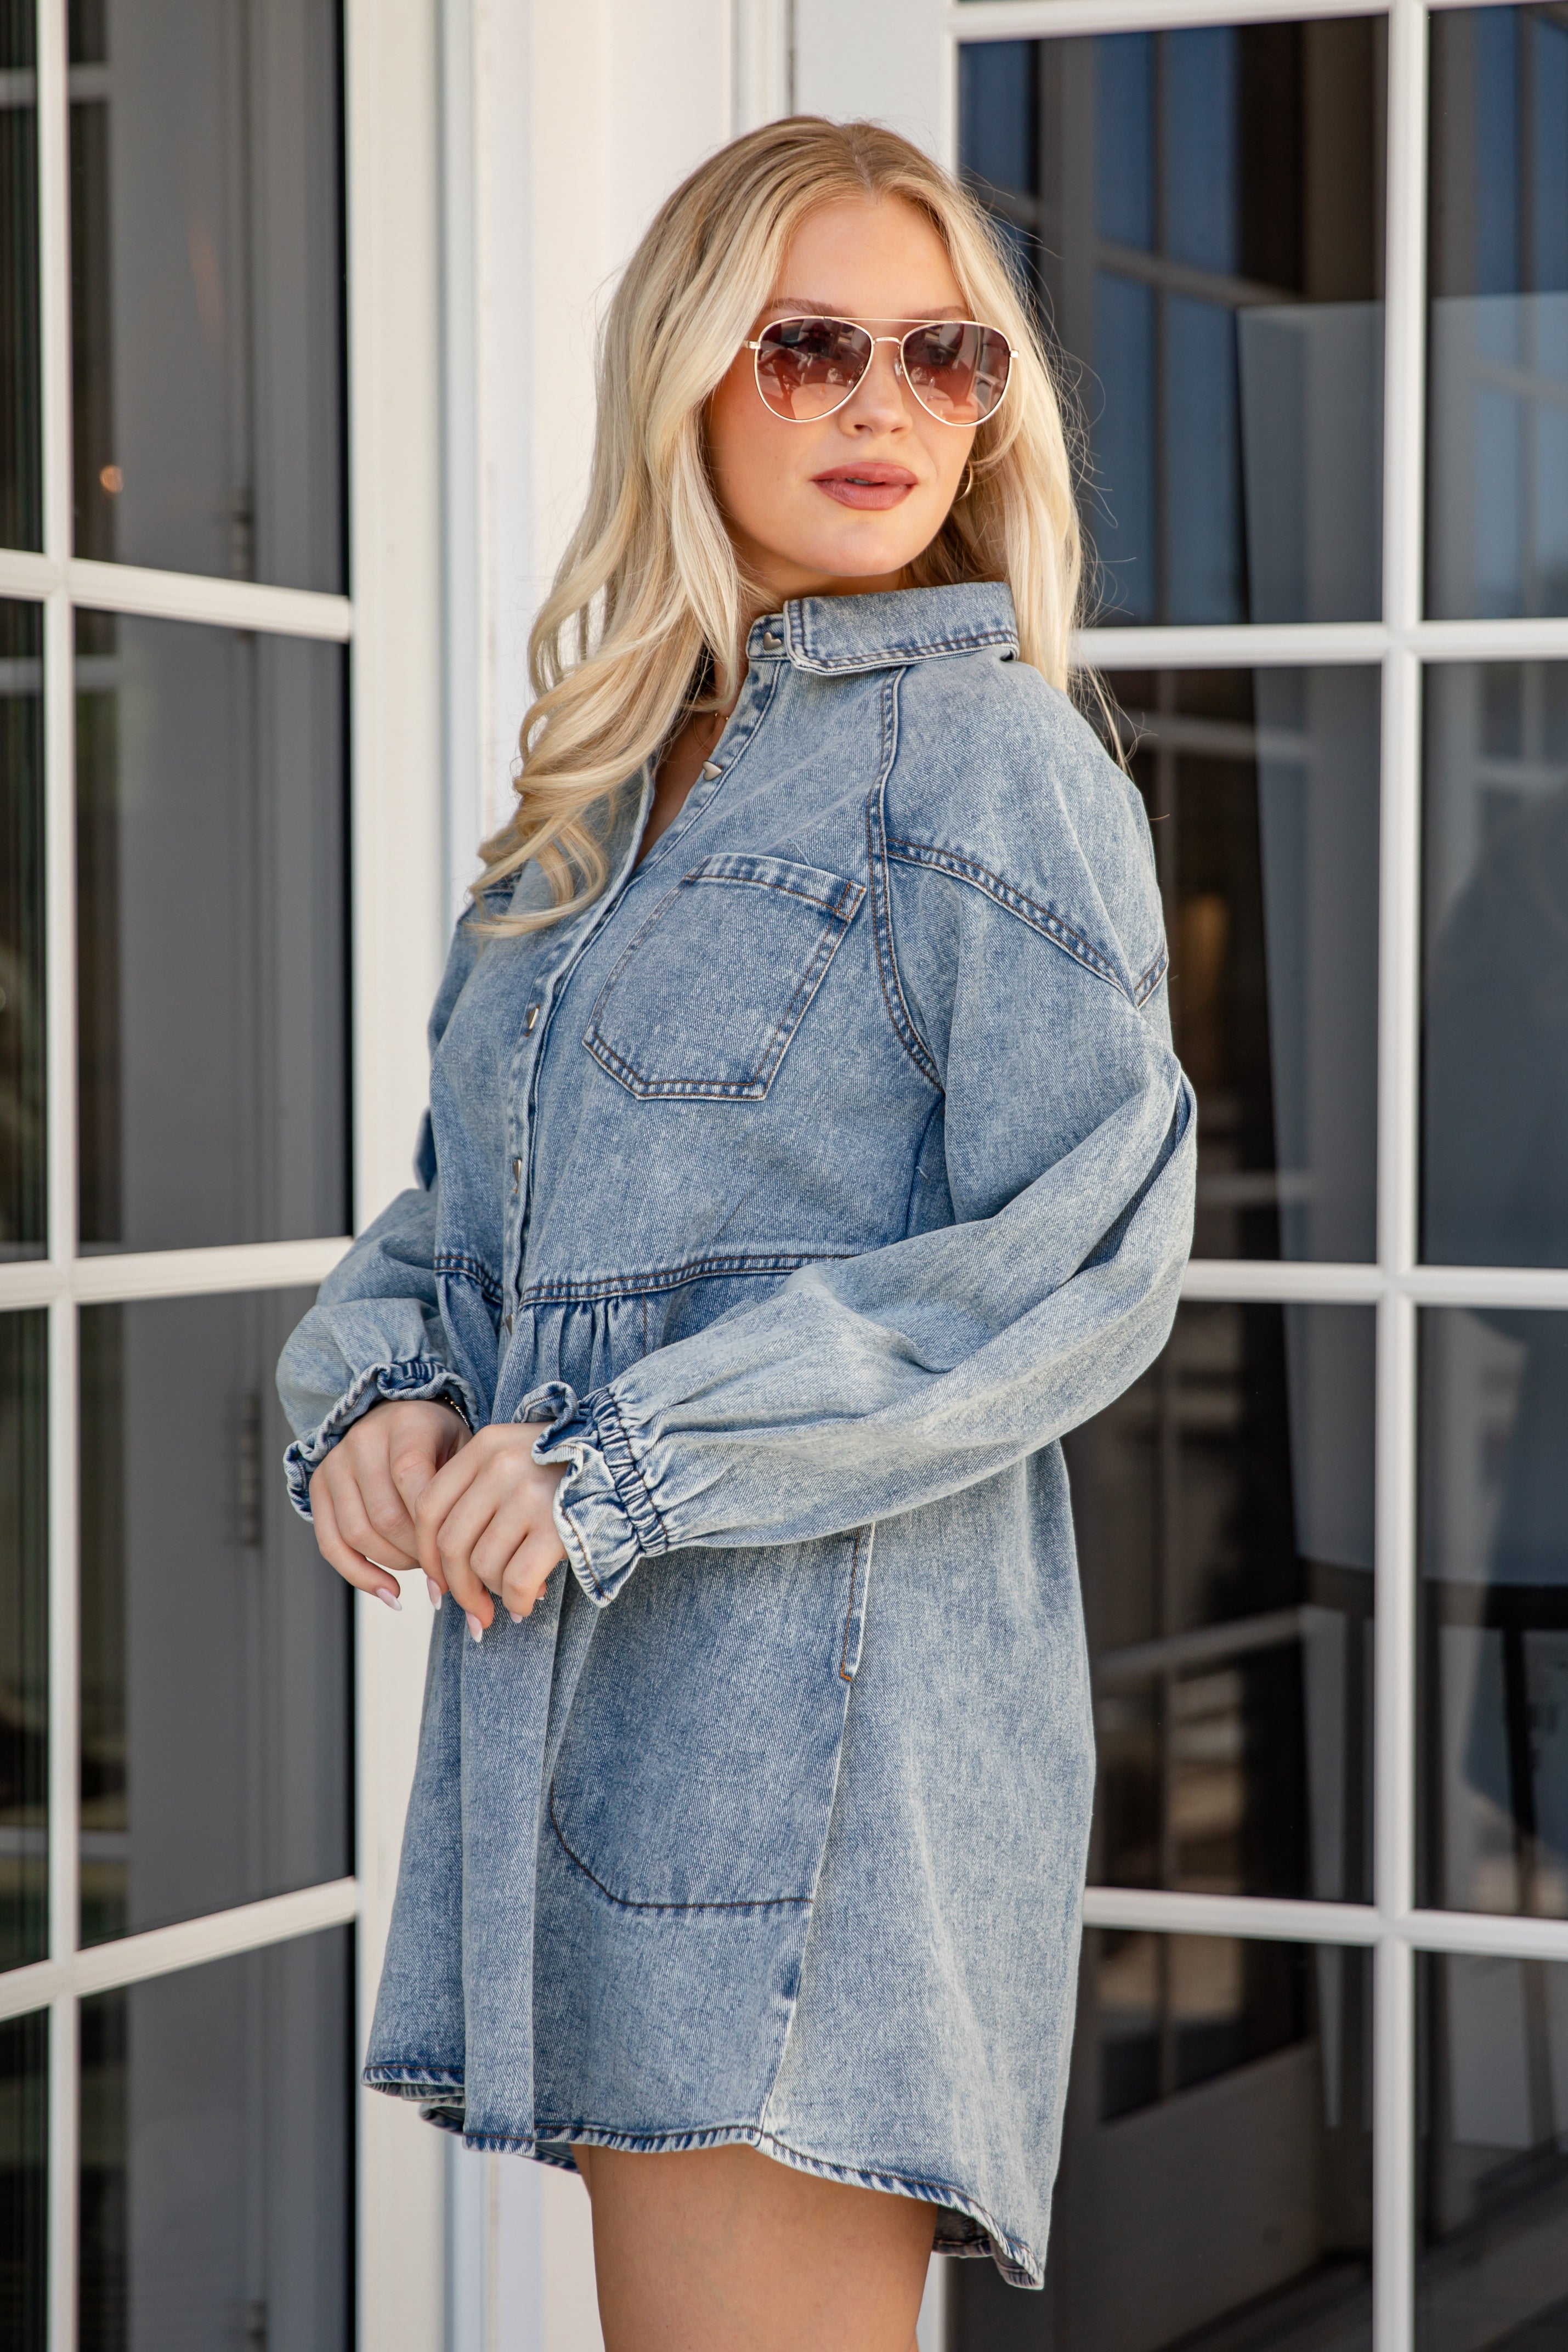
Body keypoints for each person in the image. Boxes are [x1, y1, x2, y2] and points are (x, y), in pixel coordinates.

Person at [278, 116, 1195, 2352]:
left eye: (943, 355)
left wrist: (627, 1462)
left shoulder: (992, 768)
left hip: (819, 1754)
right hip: (581, 1724)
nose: (884, 406)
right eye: (809, 348)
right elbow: (461, 1216)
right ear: (689, 375)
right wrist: (379, 1396)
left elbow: (1081, 1254)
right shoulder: (598, 789)